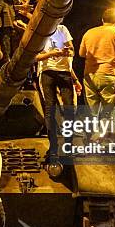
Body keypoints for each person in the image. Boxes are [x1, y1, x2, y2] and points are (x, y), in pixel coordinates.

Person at [79, 8, 115, 120]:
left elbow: (81, 53)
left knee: (91, 112)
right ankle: (105, 136)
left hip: (90, 75)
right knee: (108, 113)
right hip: (109, 74)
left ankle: (91, 136)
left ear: (102, 19)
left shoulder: (89, 32)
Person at [35, 24, 76, 160]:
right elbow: (35, 57)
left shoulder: (62, 29)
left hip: (64, 71)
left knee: (70, 108)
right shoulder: (40, 31)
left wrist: (67, 51)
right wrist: (52, 53)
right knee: (50, 109)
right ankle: (53, 146)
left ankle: (68, 145)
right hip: (47, 72)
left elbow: (71, 50)